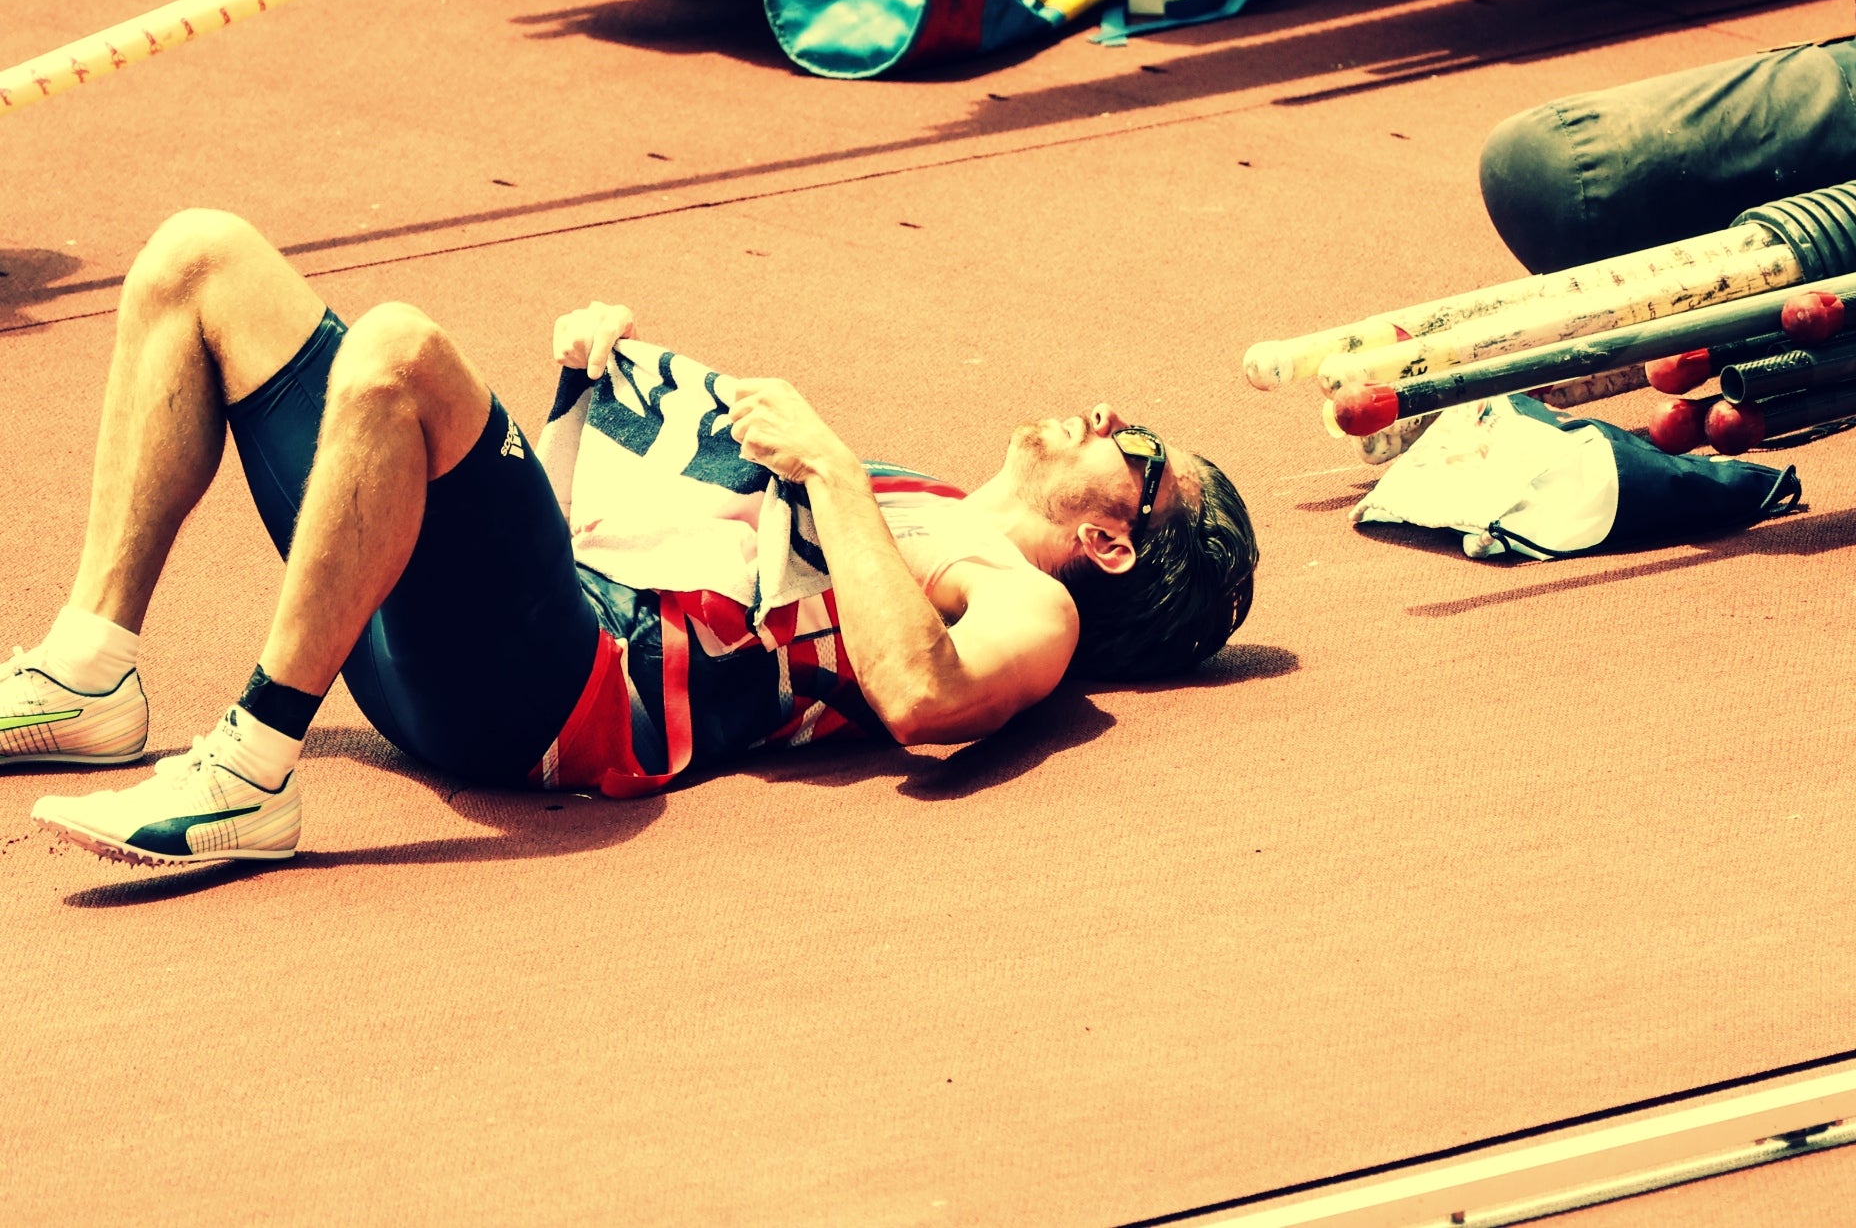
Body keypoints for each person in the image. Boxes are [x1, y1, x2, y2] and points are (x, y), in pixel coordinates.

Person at [9, 210, 1257, 866]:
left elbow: (927, 705)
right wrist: (579, 402)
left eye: (1135, 448)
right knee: (200, 257)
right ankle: (92, 668)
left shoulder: (1026, 607)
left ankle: (249, 768)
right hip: (504, 630)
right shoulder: (908, 501)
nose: (1106, 415)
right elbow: (599, 544)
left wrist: (826, 466)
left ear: (1112, 542)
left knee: (396, 348)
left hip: (561, 700)